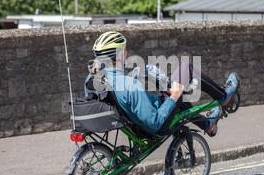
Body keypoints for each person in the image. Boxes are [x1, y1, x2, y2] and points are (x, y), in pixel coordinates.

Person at [87, 31, 239, 137]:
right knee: (186, 70)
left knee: (171, 87)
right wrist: (173, 97)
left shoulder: (94, 79)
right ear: (119, 54)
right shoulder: (130, 85)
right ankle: (224, 97)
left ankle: (207, 125)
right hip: (154, 127)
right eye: (124, 50)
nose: (127, 53)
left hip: (136, 123)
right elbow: (154, 122)